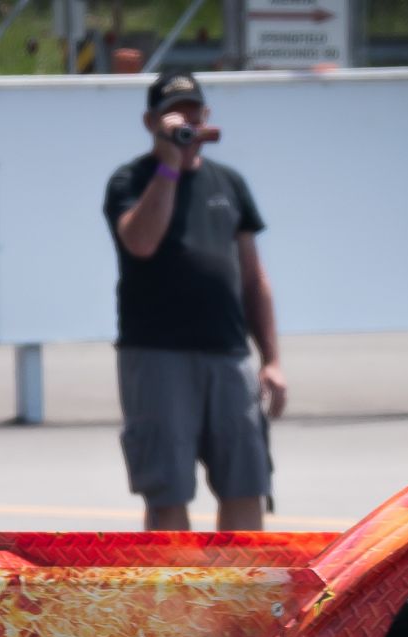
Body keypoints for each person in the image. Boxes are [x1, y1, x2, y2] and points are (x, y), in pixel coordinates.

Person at [104, 70, 286, 531]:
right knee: (167, 490)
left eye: (193, 114)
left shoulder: (229, 183)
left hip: (228, 354)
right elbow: (141, 242)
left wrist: (271, 360)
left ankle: (239, 581)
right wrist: (169, 166)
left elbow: (253, 278)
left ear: (207, 117)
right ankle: (175, 582)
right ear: (151, 123)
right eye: (174, 116)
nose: (187, 124)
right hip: (157, 356)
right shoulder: (130, 180)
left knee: (247, 482)